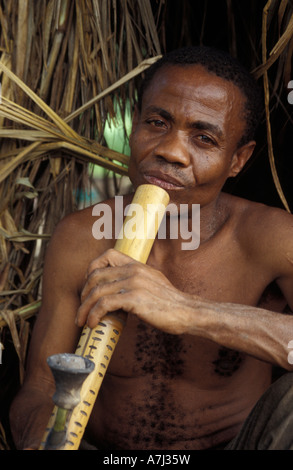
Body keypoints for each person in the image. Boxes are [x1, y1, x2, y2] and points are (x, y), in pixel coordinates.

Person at [10, 46, 293, 451]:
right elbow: (39, 388)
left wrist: (188, 311)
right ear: (133, 128)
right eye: (157, 122)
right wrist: (45, 437)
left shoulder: (272, 238)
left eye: (204, 138)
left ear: (238, 160)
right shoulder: (81, 237)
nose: (170, 151)